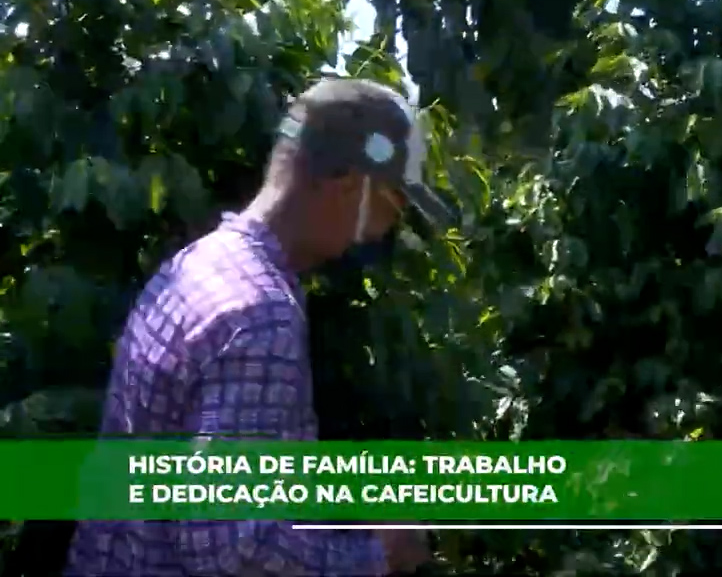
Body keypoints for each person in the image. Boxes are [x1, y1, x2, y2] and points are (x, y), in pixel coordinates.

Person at [65, 79, 458, 577]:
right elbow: (235, 551)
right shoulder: (260, 317)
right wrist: (380, 555)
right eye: (393, 207)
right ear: (349, 189)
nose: (385, 231)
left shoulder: (200, 265)